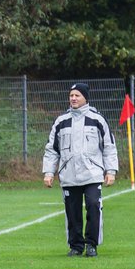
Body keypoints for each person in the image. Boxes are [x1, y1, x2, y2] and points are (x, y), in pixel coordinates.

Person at [42, 82, 118, 257]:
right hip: (69, 174)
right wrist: (48, 172)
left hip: (92, 174)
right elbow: (52, 149)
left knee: (93, 205)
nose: (73, 98)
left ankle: (91, 244)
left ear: (85, 98)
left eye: (77, 95)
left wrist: (111, 171)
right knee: (72, 211)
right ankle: (76, 246)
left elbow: (109, 146)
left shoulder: (98, 119)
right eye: (71, 95)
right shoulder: (61, 122)